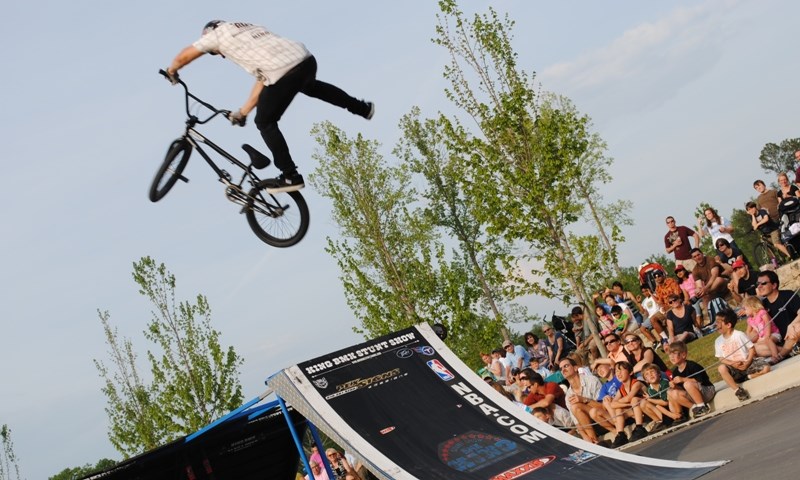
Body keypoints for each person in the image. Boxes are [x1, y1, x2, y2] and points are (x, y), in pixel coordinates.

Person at [166, 20, 374, 193]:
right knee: (310, 86)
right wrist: (243, 112)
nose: (220, 55)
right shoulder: (248, 28)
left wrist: (172, 70)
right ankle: (361, 108)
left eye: (214, 52)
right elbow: (265, 80)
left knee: (265, 122)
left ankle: (290, 175)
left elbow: (186, 55)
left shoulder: (217, 34)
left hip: (283, 69)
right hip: (304, 59)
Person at [715, 309, 770, 402]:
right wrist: (732, 363)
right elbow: (721, 358)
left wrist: (748, 361)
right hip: (734, 368)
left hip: (747, 364)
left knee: (766, 368)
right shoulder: (718, 341)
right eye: (716, 323)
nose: (716, 325)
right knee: (721, 368)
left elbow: (751, 348)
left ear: (728, 325)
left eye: (719, 323)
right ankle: (738, 390)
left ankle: (749, 377)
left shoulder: (739, 335)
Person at [598, 361, 648, 446]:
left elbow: (629, 397)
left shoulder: (636, 383)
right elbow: (613, 404)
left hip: (646, 409)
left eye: (621, 370)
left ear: (630, 372)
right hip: (634, 411)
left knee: (634, 400)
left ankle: (640, 427)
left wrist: (621, 402)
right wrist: (627, 405)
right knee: (618, 409)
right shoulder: (621, 389)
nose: (618, 373)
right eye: (617, 371)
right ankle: (621, 434)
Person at [755, 271, 800, 360]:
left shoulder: (788, 295)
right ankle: (789, 352)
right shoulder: (762, 305)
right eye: (758, 284)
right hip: (779, 342)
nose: (759, 286)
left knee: (798, 327)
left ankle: (781, 355)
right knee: (756, 347)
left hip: (794, 335)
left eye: (763, 283)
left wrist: (791, 325)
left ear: (774, 285)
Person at [667, 340, 715, 420]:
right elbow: (681, 390)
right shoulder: (675, 372)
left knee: (687, 384)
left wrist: (683, 379)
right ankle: (695, 408)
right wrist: (674, 386)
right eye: (670, 354)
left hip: (707, 390)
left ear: (683, 355)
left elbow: (700, 380)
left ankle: (702, 407)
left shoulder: (692, 365)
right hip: (693, 395)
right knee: (671, 392)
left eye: (674, 353)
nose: (671, 356)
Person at [560, 358, 604, 444]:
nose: (563, 370)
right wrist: (584, 436)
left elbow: (603, 406)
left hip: (603, 418)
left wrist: (584, 400)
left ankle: (595, 442)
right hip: (590, 428)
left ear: (575, 368)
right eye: (561, 368)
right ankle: (594, 441)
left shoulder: (591, 380)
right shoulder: (568, 395)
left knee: (576, 406)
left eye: (566, 366)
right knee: (575, 407)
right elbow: (576, 422)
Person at [639, 363, 682, 430]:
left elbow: (665, 402)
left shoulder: (664, 383)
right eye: (647, 374)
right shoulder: (649, 390)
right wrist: (650, 400)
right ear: (646, 380)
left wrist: (650, 399)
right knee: (645, 403)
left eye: (652, 372)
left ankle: (678, 416)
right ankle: (659, 421)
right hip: (664, 413)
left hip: (672, 407)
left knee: (654, 401)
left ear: (659, 374)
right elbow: (656, 405)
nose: (650, 375)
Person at [690, 248, 728, 319]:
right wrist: (698, 291)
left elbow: (715, 275)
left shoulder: (710, 259)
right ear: (692, 259)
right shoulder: (695, 270)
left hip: (722, 283)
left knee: (718, 280)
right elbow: (699, 285)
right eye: (695, 256)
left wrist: (705, 289)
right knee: (704, 296)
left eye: (698, 255)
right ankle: (712, 318)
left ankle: (707, 292)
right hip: (710, 290)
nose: (697, 257)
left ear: (702, 253)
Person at [742, 296, 781, 363]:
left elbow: (767, 323)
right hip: (762, 337)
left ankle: (775, 356)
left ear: (752, 306)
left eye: (745, 309)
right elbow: (748, 331)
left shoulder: (762, 312)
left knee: (768, 340)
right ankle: (759, 359)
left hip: (773, 334)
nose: (744, 311)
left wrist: (767, 335)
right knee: (754, 346)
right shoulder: (750, 319)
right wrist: (748, 340)